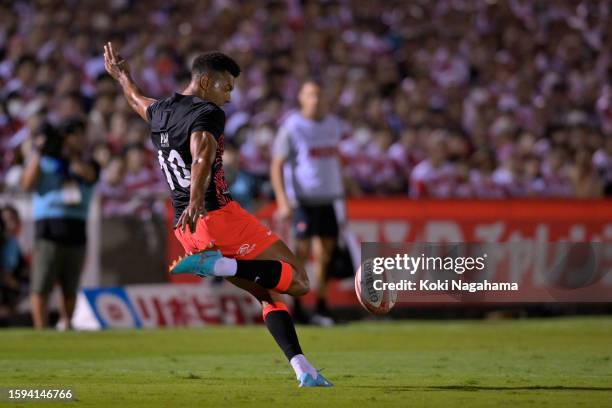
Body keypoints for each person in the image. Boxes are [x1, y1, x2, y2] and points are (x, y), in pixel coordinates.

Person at [103, 42, 332, 387]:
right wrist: (197, 198)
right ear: (206, 82)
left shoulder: (162, 110)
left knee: (267, 294)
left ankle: (304, 370)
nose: (229, 96)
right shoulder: (207, 112)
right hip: (216, 215)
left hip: (188, 232)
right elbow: (201, 155)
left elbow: (136, 99)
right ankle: (223, 265)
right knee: (299, 280)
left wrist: (122, 76)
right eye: (226, 87)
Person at [270, 80, 346, 325]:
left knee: (325, 255)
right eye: (311, 95)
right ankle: (298, 305)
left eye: (319, 95)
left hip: (329, 198)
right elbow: (277, 164)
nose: (315, 100)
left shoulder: (334, 124)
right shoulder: (292, 126)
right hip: (303, 199)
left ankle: (322, 305)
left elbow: (333, 161)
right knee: (300, 254)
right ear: (301, 98)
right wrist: (283, 200)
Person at [20, 119, 99, 330]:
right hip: (47, 230)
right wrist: (39, 151)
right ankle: (40, 327)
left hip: (76, 229)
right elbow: (26, 183)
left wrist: (69, 155)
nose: (82, 140)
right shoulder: (44, 162)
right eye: (78, 135)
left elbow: (89, 175)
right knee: (42, 282)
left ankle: (67, 323)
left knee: (70, 285)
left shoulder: (87, 162)